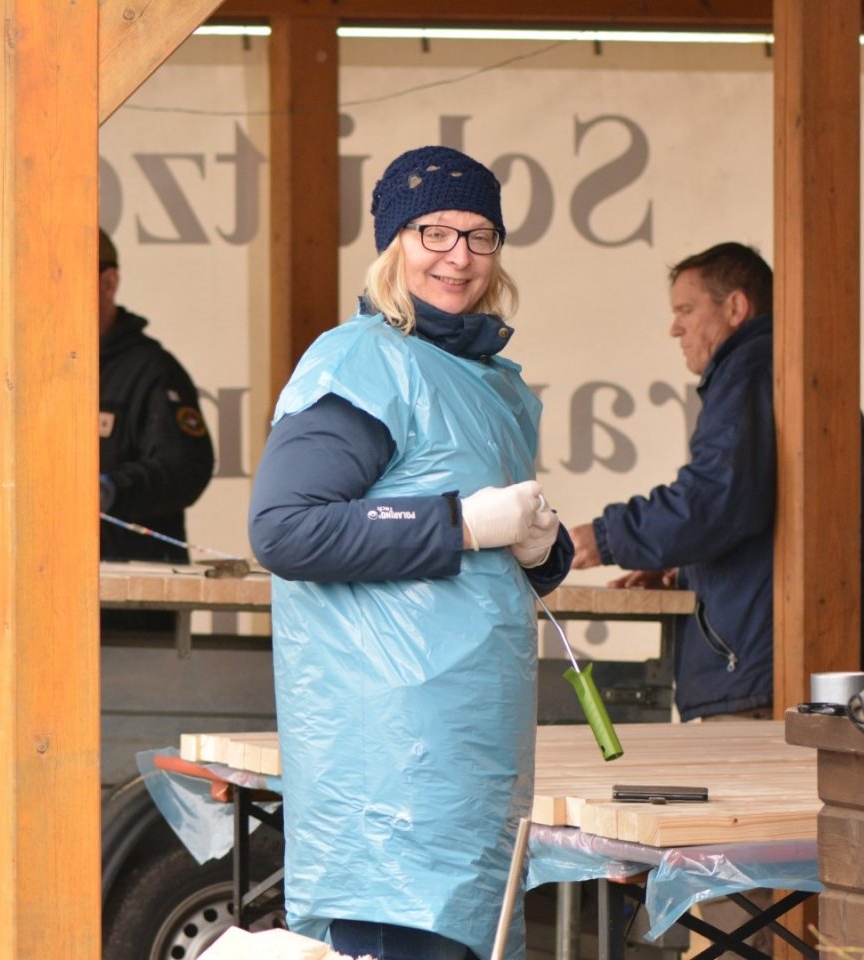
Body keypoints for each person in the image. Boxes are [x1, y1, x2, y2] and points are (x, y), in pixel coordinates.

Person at [248, 145, 573, 960]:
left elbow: (491, 556)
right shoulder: (361, 360)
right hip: (390, 765)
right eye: (434, 232)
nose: (458, 256)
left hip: (474, 753)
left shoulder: (493, 382)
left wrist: (543, 545)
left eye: (479, 235)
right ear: (394, 241)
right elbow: (285, 527)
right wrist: (461, 523)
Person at [569, 242, 864, 722]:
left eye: (686, 310)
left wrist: (601, 538)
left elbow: (716, 498)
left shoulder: (748, 369)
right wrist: (687, 569)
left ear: (735, 307)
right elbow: (773, 515)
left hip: (763, 679)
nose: (675, 328)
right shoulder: (795, 370)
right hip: (818, 672)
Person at [0, 228, 215, 630]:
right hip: (36, 599)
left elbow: (186, 469)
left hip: (133, 607)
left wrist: (110, 490)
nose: (51, 292)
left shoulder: (151, 370)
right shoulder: (31, 364)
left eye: (64, 278)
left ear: (108, 282)